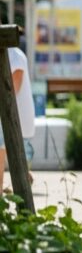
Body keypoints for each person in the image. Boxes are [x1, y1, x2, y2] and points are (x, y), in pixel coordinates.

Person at [0, 44, 35, 191]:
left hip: (15, 122)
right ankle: (24, 177)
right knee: (20, 170)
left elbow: (11, 89)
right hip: (11, 121)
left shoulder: (13, 55)